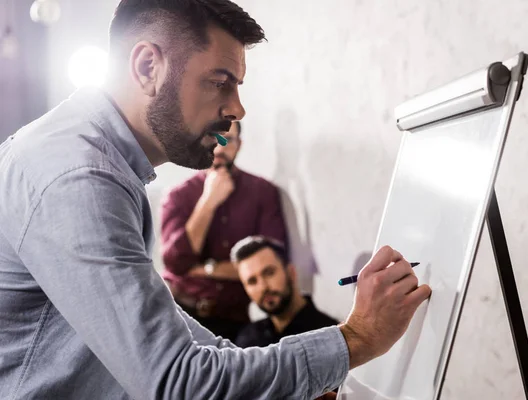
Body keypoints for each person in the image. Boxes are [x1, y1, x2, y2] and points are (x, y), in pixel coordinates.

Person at [0, 0, 432, 399]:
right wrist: (355, 339)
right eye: (220, 82)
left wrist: (307, 380)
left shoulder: (99, 164)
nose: (238, 109)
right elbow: (179, 383)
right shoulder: (79, 177)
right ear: (148, 66)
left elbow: (182, 340)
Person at [161, 120, 287, 340]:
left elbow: (271, 263)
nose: (219, 148)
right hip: (178, 314)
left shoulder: (263, 192)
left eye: (227, 140)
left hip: (235, 324)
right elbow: (175, 262)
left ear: (239, 144)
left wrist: (205, 268)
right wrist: (208, 202)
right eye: (213, 139)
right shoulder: (177, 196)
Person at [231, 235, 338, 348]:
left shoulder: (330, 335)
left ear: (291, 272)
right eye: (252, 281)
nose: (263, 287)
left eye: (269, 273)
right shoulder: (248, 340)